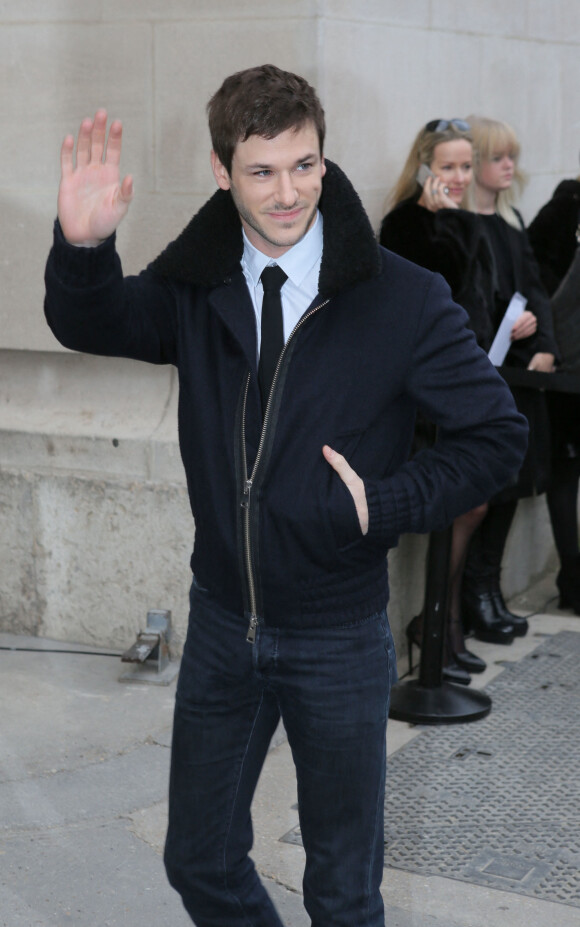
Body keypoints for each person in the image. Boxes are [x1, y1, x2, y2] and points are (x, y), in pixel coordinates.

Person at [44, 66, 527, 927]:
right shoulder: (199, 286)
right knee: (198, 860)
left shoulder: (402, 297)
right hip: (225, 624)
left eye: (304, 166)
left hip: (339, 634)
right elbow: (96, 321)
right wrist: (83, 249)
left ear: (323, 157)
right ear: (223, 172)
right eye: (262, 171)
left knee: (343, 892)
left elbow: (498, 438)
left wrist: (387, 500)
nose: (288, 192)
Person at [380, 118, 500, 685]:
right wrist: (444, 221)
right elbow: (439, 289)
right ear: (425, 167)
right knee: (464, 504)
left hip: (461, 386)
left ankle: (442, 626)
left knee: (471, 503)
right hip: (424, 398)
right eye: (447, 166)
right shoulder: (405, 224)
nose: (457, 177)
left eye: (464, 167)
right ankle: (436, 628)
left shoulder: (459, 221)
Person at [460, 115, 557, 642]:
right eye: (497, 157)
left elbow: (536, 289)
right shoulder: (459, 227)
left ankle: (487, 589)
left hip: (521, 377)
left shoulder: (513, 221)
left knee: (513, 485)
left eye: (511, 158)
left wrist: (542, 344)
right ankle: (471, 597)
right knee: (485, 489)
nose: (508, 166)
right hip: (484, 377)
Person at [528, 167, 580, 613]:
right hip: (566, 373)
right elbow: (536, 282)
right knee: (565, 475)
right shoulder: (566, 207)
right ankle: (573, 579)